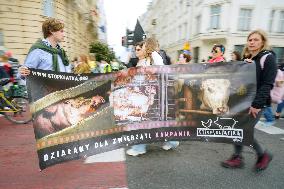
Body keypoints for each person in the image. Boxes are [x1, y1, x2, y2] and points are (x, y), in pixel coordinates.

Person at [221, 30, 277, 171]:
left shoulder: (268, 58)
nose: (252, 42)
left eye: (256, 40)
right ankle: (241, 157)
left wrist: (257, 104)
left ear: (263, 42)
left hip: (257, 103)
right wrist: (244, 66)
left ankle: (259, 155)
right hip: (243, 101)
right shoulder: (249, 58)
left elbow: (267, 83)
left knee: (242, 130)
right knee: (237, 129)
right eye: (250, 40)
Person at [126, 38, 179, 156]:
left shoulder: (155, 56)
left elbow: (161, 71)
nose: (142, 48)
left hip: (154, 94)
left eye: (143, 46)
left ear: (148, 47)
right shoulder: (145, 59)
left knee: (144, 121)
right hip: (148, 94)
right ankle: (172, 141)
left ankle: (139, 148)